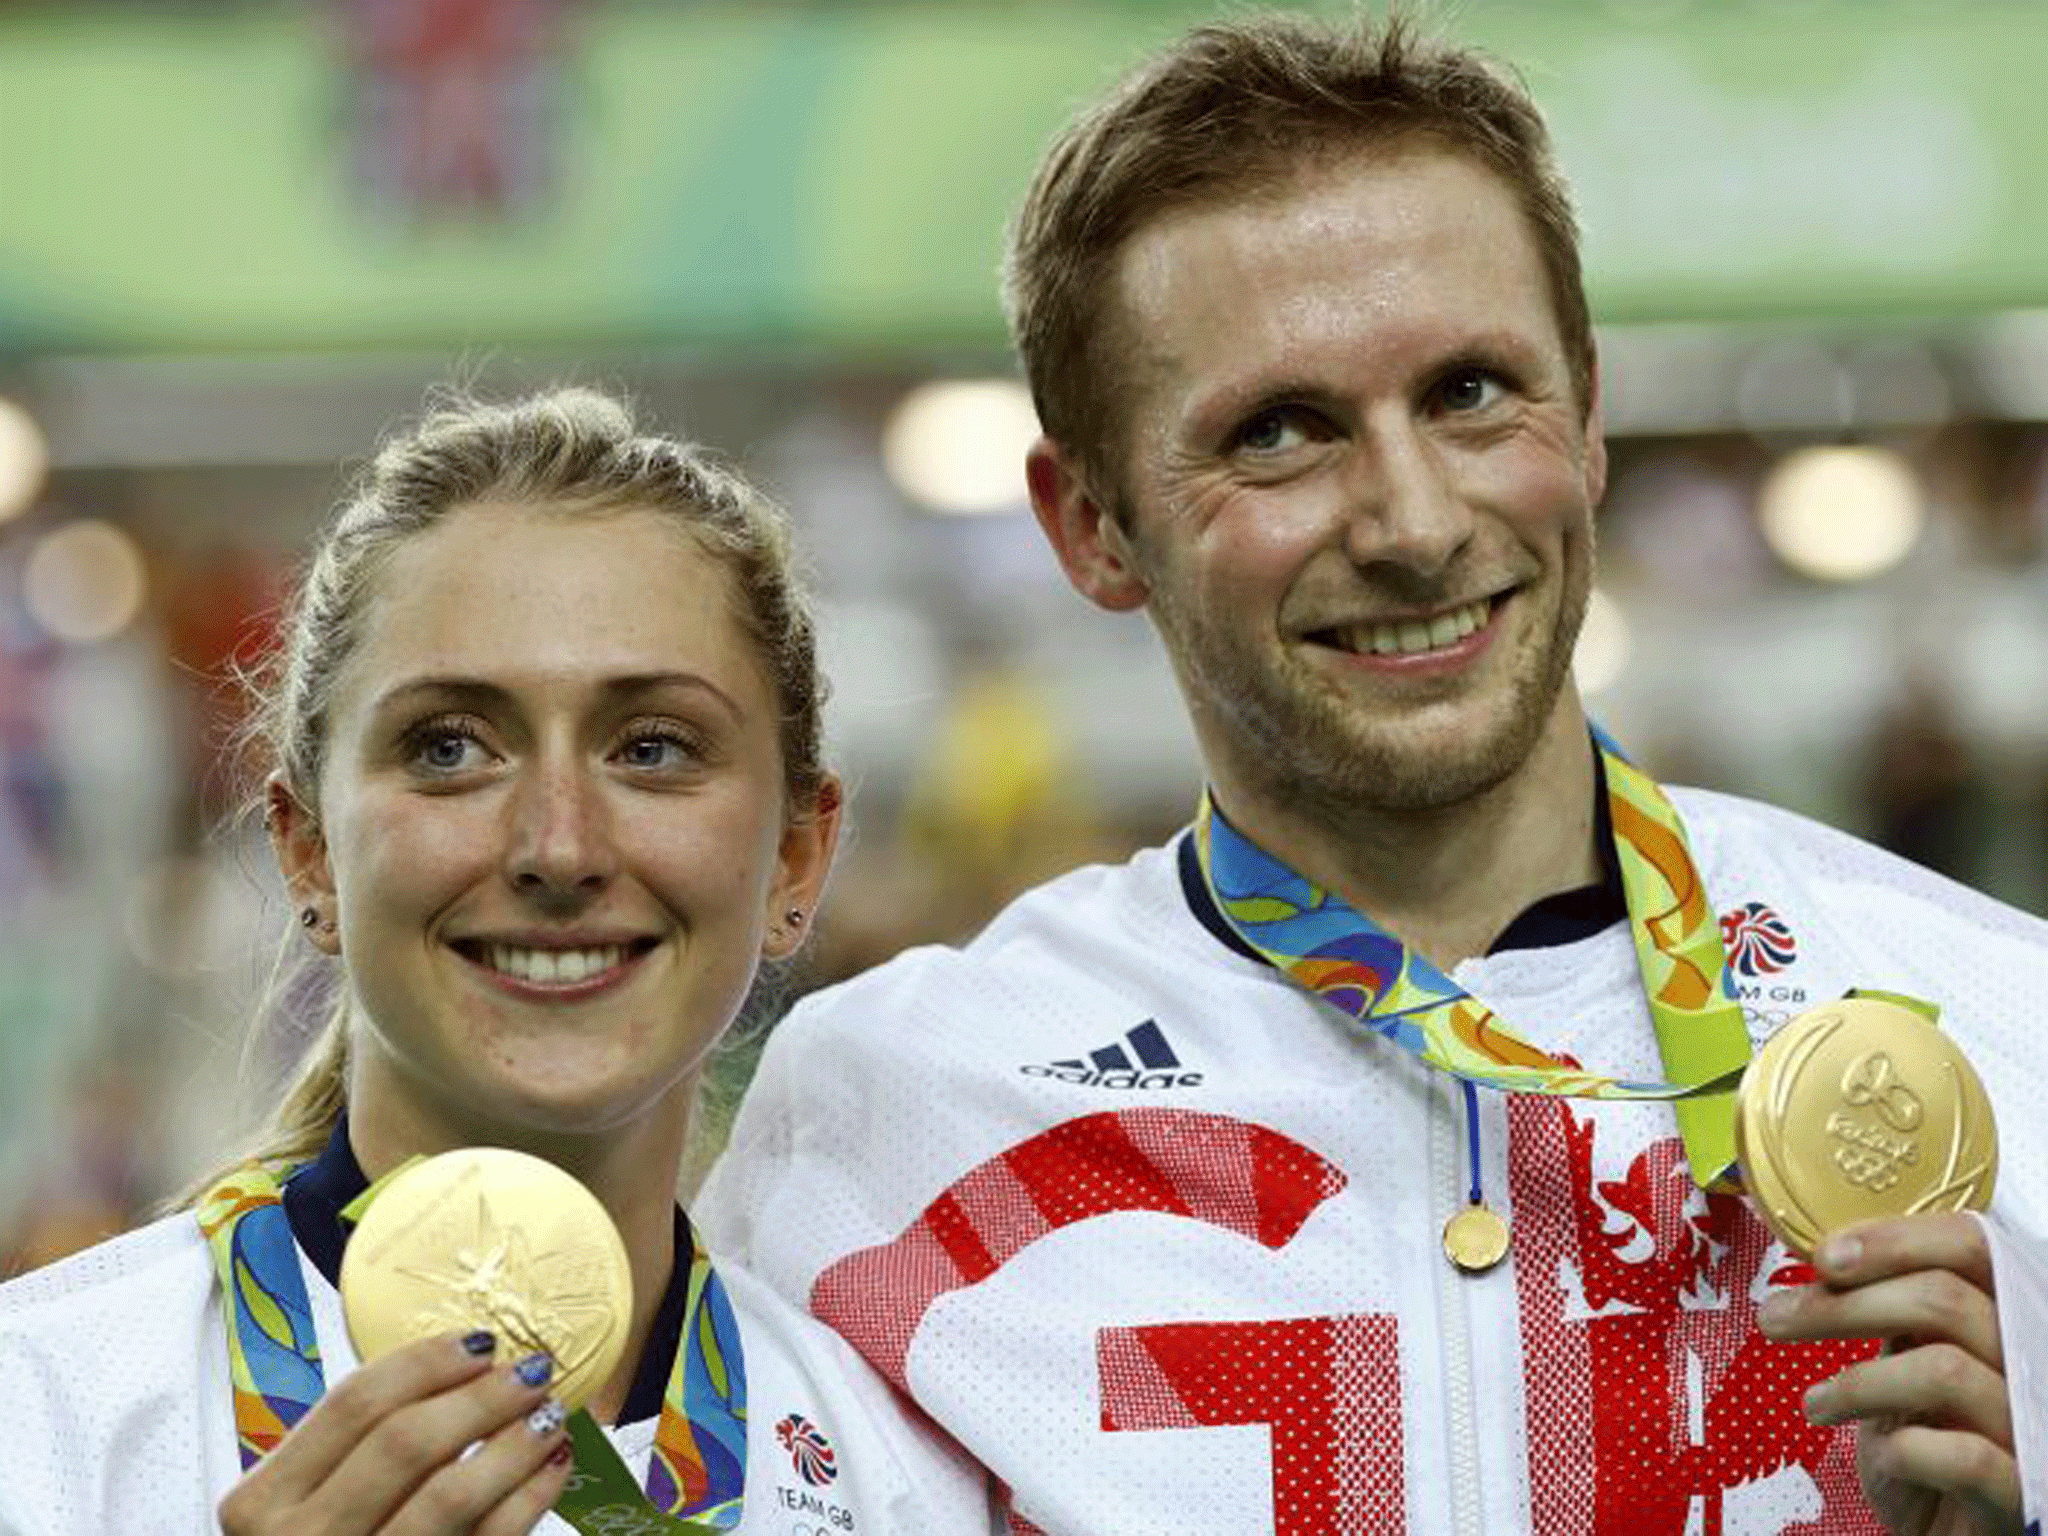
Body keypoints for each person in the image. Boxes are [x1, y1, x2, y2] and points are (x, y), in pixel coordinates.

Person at [696, 14, 2048, 1536]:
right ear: (1088, 524)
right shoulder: (888, 1112)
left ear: (1589, 419)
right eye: (1280, 432)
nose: (1411, 521)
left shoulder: (2012, 1030)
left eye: (1471, 392)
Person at [0, 387, 994, 1534]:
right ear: (307, 850)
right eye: (450, 747)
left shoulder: (897, 1471)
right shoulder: (44, 1421)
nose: (558, 845)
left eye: (653, 747)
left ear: (795, 859)